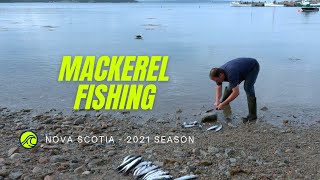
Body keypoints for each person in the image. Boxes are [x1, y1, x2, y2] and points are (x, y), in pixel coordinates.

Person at [209, 57, 260, 123]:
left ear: (221, 75)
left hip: (252, 67)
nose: (216, 81)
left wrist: (223, 104)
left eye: (216, 80)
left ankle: (252, 116)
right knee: (231, 87)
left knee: (248, 87)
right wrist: (217, 101)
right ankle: (224, 103)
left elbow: (236, 93)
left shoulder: (231, 73)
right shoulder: (218, 73)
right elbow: (219, 87)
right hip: (240, 70)